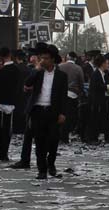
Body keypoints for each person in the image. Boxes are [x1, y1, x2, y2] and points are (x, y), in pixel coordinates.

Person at [23, 43, 68, 180]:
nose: (43, 61)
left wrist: (62, 113)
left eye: (46, 58)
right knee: (40, 141)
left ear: (53, 59)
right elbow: (27, 84)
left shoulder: (61, 75)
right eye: (42, 58)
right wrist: (36, 69)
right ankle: (42, 170)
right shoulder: (37, 72)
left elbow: (63, 96)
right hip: (38, 110)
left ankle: (51, 163)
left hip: (53, 112)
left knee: (53, 140)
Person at [0, 47, 21, 162]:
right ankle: (4, 153)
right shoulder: (17, 70)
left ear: (1, 56)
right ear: (10, 54)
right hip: (11, 103)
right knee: (7, 129)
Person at [57, 52, 84, 144]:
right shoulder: (78, 68)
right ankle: (65, 137)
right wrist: (80, 93)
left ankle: (59, 136)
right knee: (70, 117)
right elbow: (81, 82)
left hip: (60, 94)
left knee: (60, 115)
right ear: (75, 59)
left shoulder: (60, 66)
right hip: (72, 95)